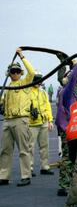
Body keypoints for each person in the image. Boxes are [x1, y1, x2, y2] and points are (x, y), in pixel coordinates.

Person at [0, 48, 35, 187]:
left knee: (23, 149)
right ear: (9, 73)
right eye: (12, 71)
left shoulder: (25, 83)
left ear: (21, 73)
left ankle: (26, 175)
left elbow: (32, 72)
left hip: (20, 120)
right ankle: (3, 176)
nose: (15, 73)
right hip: (7, 121)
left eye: (17, 71)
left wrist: (21, 56)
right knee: (5, 150)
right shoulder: (7, 87)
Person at [55, 62, 77, 196]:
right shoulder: (66, 92)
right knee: (68, 158)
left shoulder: (69, 93)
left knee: (71, 157)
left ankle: (67, 183)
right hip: (68, 130)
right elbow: (71, 79)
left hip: (70, 128)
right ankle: (64, 185)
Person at [29, 72, 54, 176]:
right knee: (30, 147)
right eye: (36, 79)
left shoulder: (43, 92)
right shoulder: (27, 91)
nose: (38, 82)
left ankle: (45, 167)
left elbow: (48, 106)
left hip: (43, 122)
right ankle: (29, 169)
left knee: (44, 146)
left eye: (40, 80)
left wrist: (50, 120)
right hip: (32, 123)